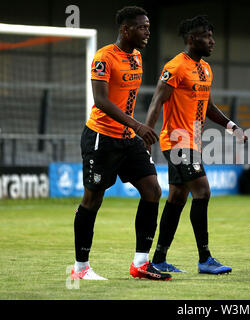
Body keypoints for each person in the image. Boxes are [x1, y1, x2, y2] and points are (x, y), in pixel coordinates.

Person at [70, 6, 172, 281]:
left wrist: (135, 130)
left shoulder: (137, 57)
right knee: (93, 199)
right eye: (142, 27)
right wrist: (138, 125)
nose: (147, 32)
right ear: (125, 30)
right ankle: (80, 269)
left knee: (152, 190)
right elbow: (101, 101)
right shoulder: (104, 57)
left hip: (128, 139)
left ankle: (140, 263)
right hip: (102, 137)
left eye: (149, 27)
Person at [145, 15, 246, 274]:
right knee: (203, 192)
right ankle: (205, 259)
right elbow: (157, 101)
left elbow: (209, 107)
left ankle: (158, 258)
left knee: (177, 198)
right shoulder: (176, 66)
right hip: (178, 141)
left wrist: (231, 126)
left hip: (194, 142)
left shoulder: (205, 69)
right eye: (206, 36)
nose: (212, 41)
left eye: (212, 36)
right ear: (191, 39)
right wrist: (146, 136)